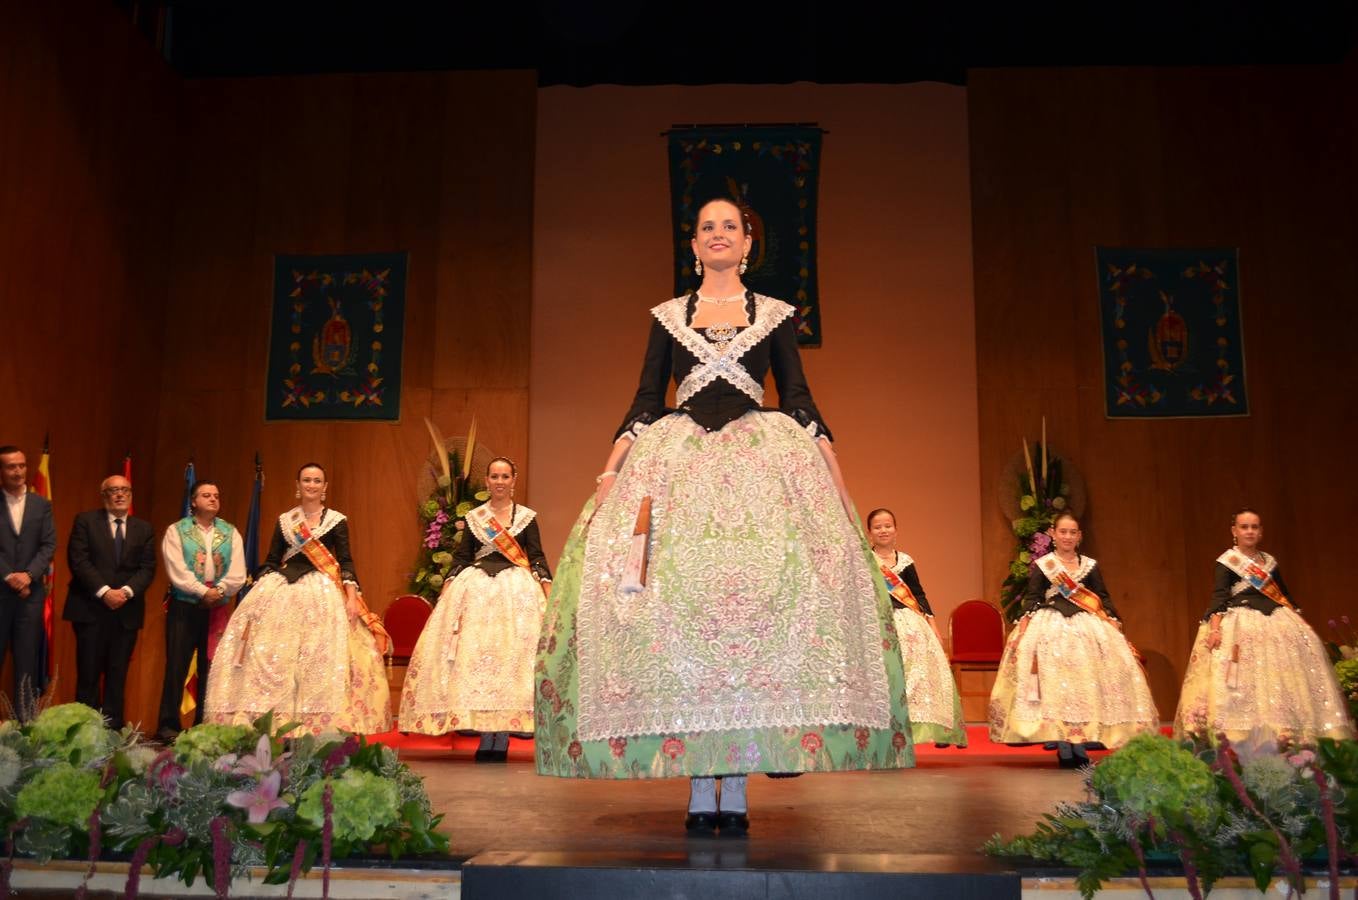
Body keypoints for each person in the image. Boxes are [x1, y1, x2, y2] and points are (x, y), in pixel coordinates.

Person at [535, 197, 913, 836]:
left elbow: (797, 398)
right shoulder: (665, 317)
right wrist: (610, 471)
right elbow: (644, 399)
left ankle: (733, 781)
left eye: (729, 227)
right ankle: (696, 780)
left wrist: (835, 477)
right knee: (681, 616)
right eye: (707, 227)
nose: (717, 235)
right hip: (675, 469)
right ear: (694, 245)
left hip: (761, 468)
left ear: (746, 245)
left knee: (752, 624)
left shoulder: (774, 316)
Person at [205, 463, 391, 736]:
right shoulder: (286, 521)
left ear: (325, 487)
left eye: (317, 481)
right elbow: (271, 560)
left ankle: (315, 725)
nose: (312, 485)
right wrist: (260, 590)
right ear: (298, 485)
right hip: (285, 589)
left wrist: (352, 596)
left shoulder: (337, 521)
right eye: (307, 480)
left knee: (317, 657)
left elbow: (346, 561)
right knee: (277, 656)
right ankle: (275, 720)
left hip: (322, 591)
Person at [401, 457, 551, 760]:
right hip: (476, 590)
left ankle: (502, 734)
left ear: (514, 480)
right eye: (494, 476)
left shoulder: (526, 518)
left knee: (508, 661)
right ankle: (485, 735)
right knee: (478, 661)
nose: (499, 481)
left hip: (515, 592)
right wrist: (448, 586)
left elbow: (535, 557)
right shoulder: (475, 518)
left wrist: (548, 589)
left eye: (505, 476)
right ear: (486, 481)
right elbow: (462, 557)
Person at [988, 511, 1157, 766]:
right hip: (1051, 628)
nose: (1067, 536)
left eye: (1072, 532)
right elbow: (1032, 598)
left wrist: (1112, 618)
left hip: (1087, 628)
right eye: (1063, 532)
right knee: (1058, 687)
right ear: (1053, 535)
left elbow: (1102, 596)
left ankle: (1082, 742)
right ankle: (1064, 745)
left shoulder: (1090, 566)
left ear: (1080, 536)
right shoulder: (1045, 566)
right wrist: (1027, 622)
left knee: (1084, 686)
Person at [1174, 508, 1355, 745]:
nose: (1250, 531)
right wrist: (1215, 628)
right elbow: (1219, 597)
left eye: (1255, 527)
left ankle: (1290, 730)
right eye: (1244, 527)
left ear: (1260, 532)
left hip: (1277, 621)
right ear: (1234, 531)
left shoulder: (1269, 562)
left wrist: (1300, 623)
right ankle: (1240, 733)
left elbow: (1285, 596)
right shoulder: (1227, 562)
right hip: (1242, 621)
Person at [865, 508, 966, 747]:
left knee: (920, 675)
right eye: (877, 527)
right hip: (880, 624)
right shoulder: (866, 560)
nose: (883, 530)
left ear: (896, 529)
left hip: (910, 624)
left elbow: (918, 593)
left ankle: (928, 729)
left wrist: (931, 623)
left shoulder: (906, 561)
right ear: (869, 533)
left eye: (888, 525)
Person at [155, 480, 246, 744]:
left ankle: (204, 725)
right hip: (184, 605)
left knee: (211, 668)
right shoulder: (177, 531)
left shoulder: (230, 532)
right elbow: (176, 570)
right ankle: (168, 726)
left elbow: (238, 572)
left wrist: (218, 591)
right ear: (193, 501)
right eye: (206, 495)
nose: (213, 499)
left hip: (217, 607)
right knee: (176, 665)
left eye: (216, 495)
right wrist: (200, 591)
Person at [64, 474, 157, 729]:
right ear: (103, 495)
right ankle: (84, 733)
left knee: (117, 676)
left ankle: (113, 735)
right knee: (88, 675)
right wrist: (105, 591)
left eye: (125, 490)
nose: (119, 494)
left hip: (126, 612)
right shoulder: (85, 522)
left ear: (130, 495)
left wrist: (125, 592)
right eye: (113, 490)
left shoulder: (144, 528)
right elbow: (79, 561)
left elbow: (148, 569)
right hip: (90, 609)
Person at [0, 446, 57, 708]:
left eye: (22, 465)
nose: (18, 471)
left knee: (26, 664)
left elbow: (48, 545)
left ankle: (25, 730)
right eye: (11, 466)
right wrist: (9, 575)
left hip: (30, 596)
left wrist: (28, 576)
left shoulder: (41, 504)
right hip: (1, 592)